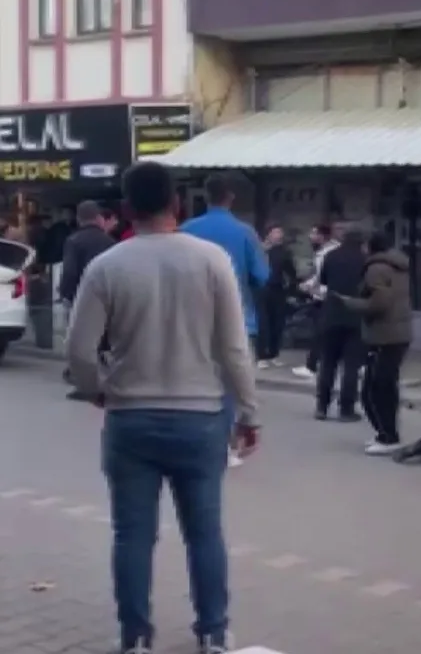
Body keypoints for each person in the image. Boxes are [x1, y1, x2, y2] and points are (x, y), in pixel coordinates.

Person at [64, 162, 259, 654]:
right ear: (176, 204)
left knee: (132, 535)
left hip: (130, 419)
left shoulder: (107, 266)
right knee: (204, 533)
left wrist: (97, 390)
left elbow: (79, 350)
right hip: (201, 419)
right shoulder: (212, 260)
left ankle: (135, 638)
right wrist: (249, 413)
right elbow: (234, 348)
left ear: (126, 208)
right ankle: (213, 633)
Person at [181, 173, 270, 467]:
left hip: (191, 319)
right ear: (230, 197)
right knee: (231, 382)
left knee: (193, 381)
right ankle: (226, 444)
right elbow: (261, 276)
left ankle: (196, 439)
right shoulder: (244, 232)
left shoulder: (186, 230)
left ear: (206, 196)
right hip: (239, 317)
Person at [337, 231, 411, 455]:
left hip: (383, 335)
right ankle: (386, 433)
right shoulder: (399, 265)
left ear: (370, 247)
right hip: (399, 333)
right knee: (386, 386)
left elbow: (379, 304)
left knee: (374, 389)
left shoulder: (376, 268)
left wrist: (351, 303)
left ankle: (388, 436)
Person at [59, 200, 116, 400]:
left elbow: (70, 272)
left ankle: (84, 383)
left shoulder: (74, 241)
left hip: (81, 296)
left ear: (78, 219)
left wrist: (66, 294)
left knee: (81, 340)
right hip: (108, 296)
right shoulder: (110, 242)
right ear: (99, 218)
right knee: (103, 338)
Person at [314, 227, 365, 422]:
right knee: (351, 366)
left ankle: (322, 406)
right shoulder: (365, 260)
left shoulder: (331, 256)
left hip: (331, 314)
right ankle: (346, 409)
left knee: (328, 363)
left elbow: (323, 280)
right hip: (355, 316)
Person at [292, 224, 340, 379]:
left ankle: (312, 366)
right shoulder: (326, 251)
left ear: (322, 236)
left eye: (313, 233)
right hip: (326, 297)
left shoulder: (327, 253)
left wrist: (313, 289)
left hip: (326, 299)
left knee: (320, 333)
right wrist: (308, 285)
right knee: (326, 333)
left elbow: (324, 278)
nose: (310, 237)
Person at [256, 225, 297, 369]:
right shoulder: (261, 250)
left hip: (278, 289)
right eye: (275, 232)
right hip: (262, 288)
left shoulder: (285, 252)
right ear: (268, 235)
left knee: (277, 323)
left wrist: (292, 290)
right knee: (263, 323)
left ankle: (273, 354)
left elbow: (291, 272)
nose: (279, 235)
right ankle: (261, 355)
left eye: (280, 232)